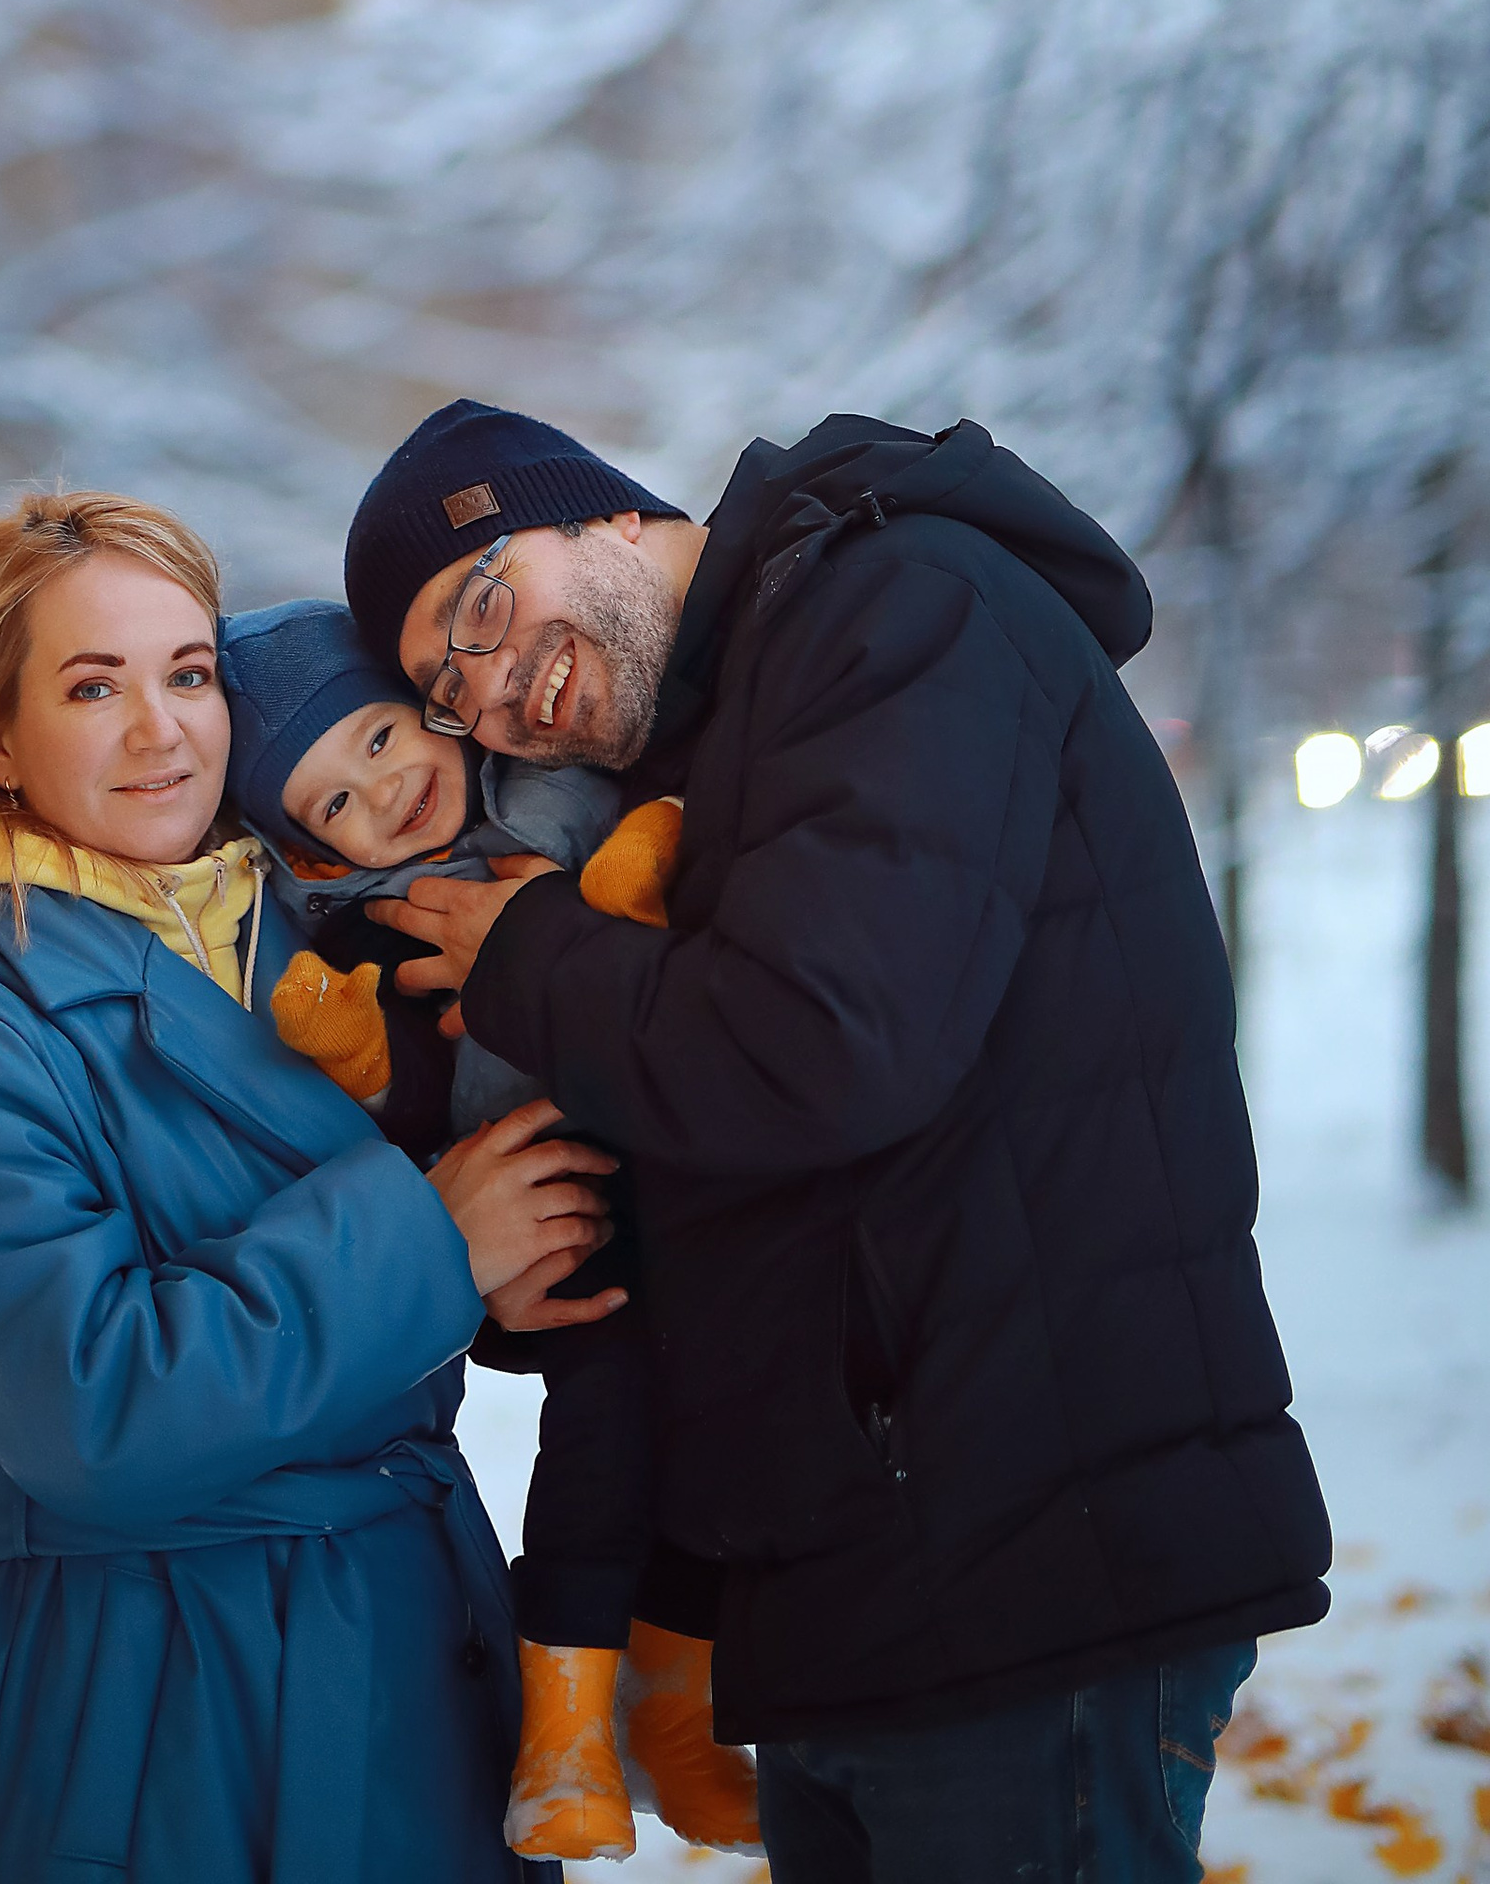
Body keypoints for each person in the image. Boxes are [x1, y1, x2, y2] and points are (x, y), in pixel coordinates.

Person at [341, 398, 1333, 1884]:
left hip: (1025, 1566)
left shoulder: (902, 603)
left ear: (607, 513)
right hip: (865, 1583)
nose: (491, 693)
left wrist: (528, 955)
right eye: (445, 691)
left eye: (484, 608)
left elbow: (828, 1044)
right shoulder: (721, 732)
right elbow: (749, 1138)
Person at [0, 488, 617, 1884]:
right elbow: (90, 1405)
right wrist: (431, 1241)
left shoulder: (291, 936)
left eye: (188, 673)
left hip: (404, 1649)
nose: (162, 729)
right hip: (145, 1705)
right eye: (92, 686)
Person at [220, 595, 758, 1865]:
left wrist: (638, 869)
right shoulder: (375, 925)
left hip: (700, 1184)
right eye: (331, 806)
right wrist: (365, 1055)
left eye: (374, 740)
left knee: (723, 1455)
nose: (379, 796)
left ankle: (676, 1722)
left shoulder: (572, 790)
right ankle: (561, 1732)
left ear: (435, 707)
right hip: (569, 1209)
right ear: (311, 853)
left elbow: (695, 885)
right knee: (605, 1444)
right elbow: (414, 1094)